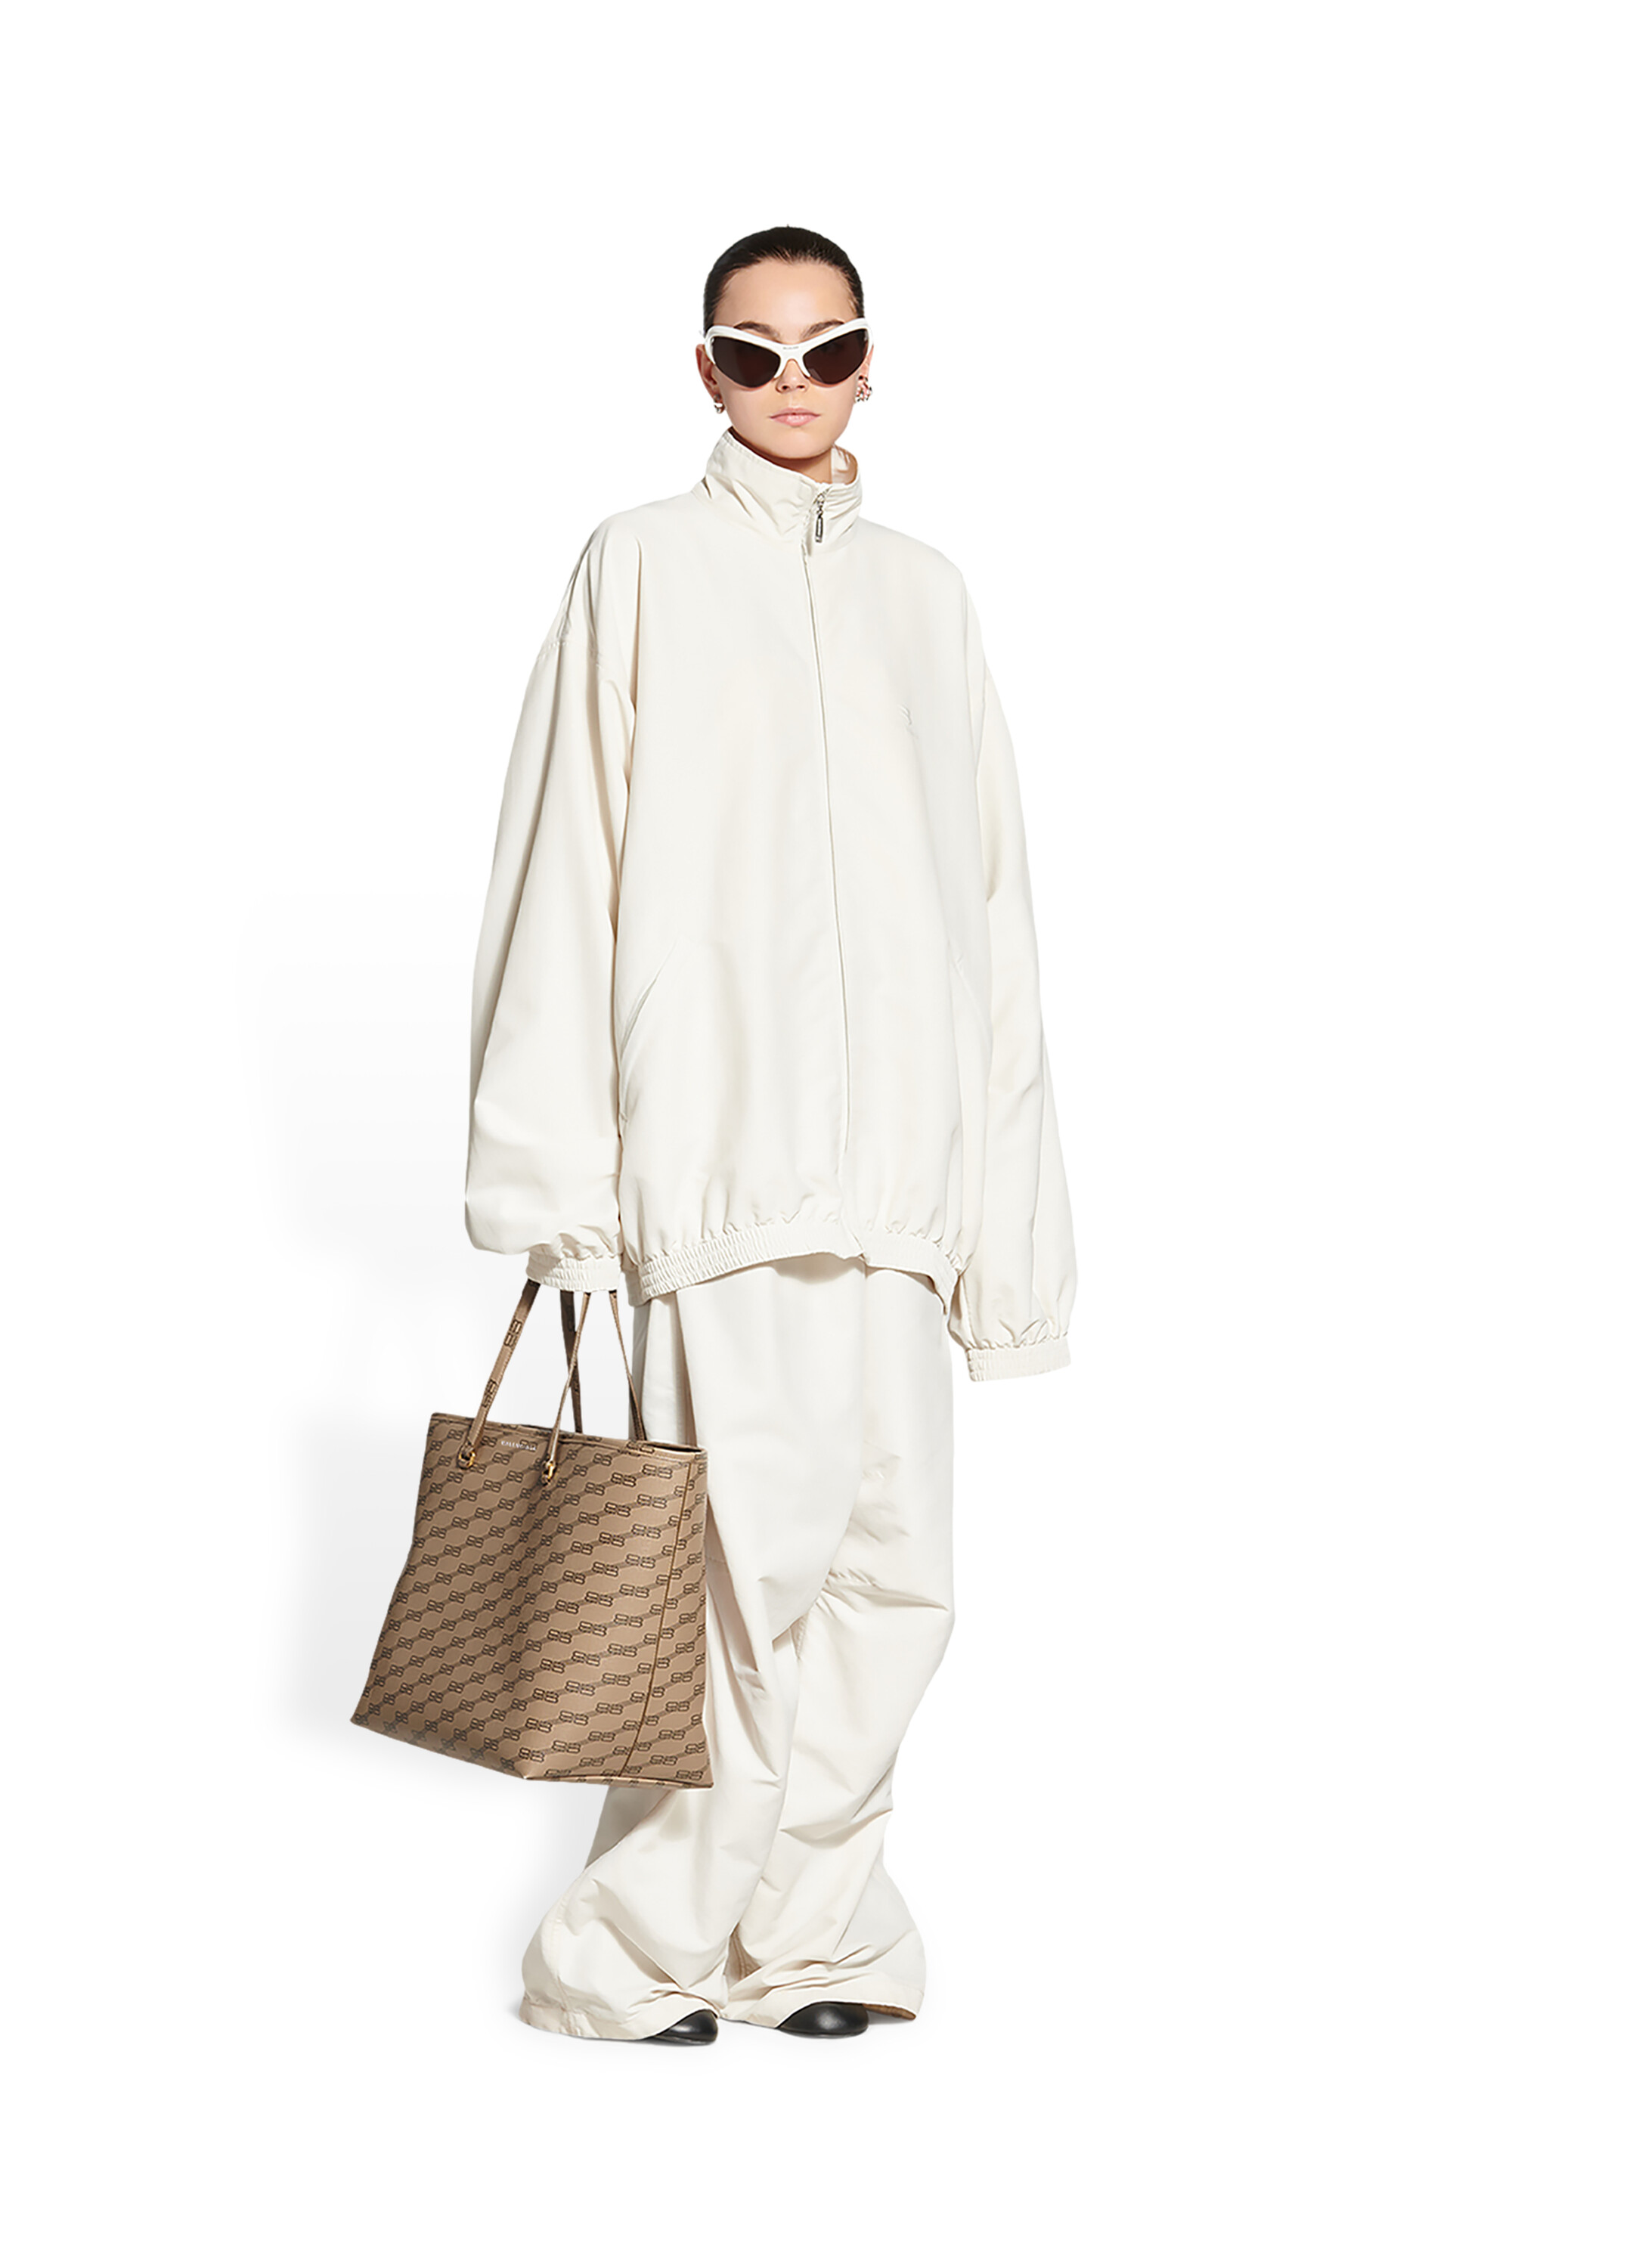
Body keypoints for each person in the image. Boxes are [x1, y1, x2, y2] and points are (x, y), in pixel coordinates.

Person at [463, 224, 1077, 2043]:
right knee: (723, 1588)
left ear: (871, 360)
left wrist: (1008, 1236)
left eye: (824, 346)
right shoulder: (640, 566)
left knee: (892, 1586)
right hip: (715, 1170)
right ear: (706, 369)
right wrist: (558, 1183)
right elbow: (563, 860)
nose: (791, 382)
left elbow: (993, 918)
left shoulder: (928, 598)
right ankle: (631, 1956)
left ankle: (805, 1939)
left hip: (905, 1191)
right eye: (753, 350)